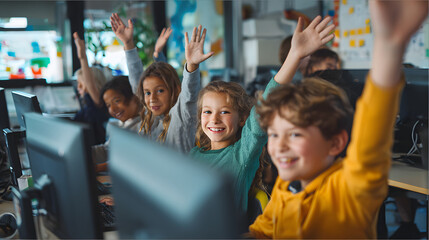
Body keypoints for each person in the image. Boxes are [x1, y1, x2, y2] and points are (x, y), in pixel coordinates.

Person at [248, 1, 428, 238]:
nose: (278, 146)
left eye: (294, 134)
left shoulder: (349, 187)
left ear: (335, 143)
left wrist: (389, 45)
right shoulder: (287, 184)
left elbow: (372, 132)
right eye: (274, 134)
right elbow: (262, 232)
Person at [189, 16, 335, 216]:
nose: (214, 119)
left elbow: (263, 108)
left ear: (242, 119)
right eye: (207, 112)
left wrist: (294, 55)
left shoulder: (241, 155)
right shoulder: (193, 154)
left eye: (224, 112)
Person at [111, 13, 213, 153]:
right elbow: (137, 84)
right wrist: (128, 44)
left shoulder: (180, 117)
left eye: (160, 91)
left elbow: (189, 96)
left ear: (175, 90)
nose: (152, 99)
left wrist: (192, 65)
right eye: (148, 93)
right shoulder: (151, 117)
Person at [92, 76, 142, 172]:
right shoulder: (124, 124)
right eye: (108, 105)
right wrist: (83, 152)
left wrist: (96, 168)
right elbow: (108, 149)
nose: (113, 109)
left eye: (117, 101)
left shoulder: (143, 126)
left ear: (134, 97)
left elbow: (130, 161)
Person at [73, 32, 111, 145]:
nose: (78, 88)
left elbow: (90, 85)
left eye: (81, 84)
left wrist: (83, 57)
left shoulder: (98, 103)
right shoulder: (86, 105)